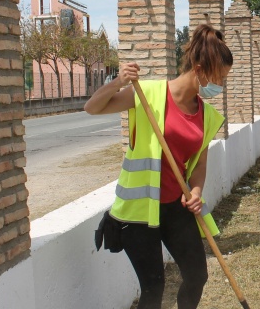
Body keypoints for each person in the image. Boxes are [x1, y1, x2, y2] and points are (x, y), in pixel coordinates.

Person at [84, 24, 233, 309]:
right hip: (138, 211)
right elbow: (93, 107)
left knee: (197, 276)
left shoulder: (208, 115)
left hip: (176, 207)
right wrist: (118, 82)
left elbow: (199, 163)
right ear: (199, 70)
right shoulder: (148, 94)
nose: (221, 86)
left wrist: (197, 190)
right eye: (219, 78)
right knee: (153, 289)